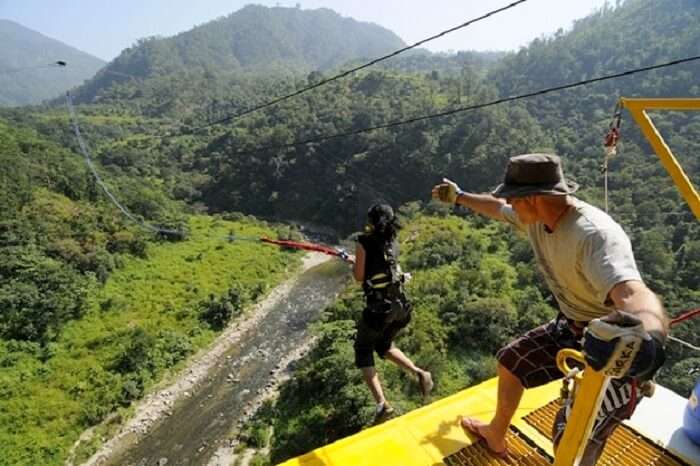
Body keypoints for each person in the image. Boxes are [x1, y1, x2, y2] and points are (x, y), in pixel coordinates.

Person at [431, 153, 668, 464]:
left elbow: (633, 293)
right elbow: (494, 207)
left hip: (613, 347)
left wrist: (646, 340)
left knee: (571, 436)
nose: (509, 204)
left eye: (514, 198)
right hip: (574, 325)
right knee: (511, 362)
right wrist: (460, 197)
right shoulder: (538, 218)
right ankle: (495, 433)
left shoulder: (594, 235)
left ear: (532, 198)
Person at [351, 203, 434, 422]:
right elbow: (386, 268)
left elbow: (359, 277)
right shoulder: (392, 241)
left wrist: (355, 262)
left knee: (363, 349)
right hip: (401, 308)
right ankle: (419, 373)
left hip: (380, 309)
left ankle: (382, 405)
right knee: (384, 345)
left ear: (370, 220)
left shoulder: (363, 242)